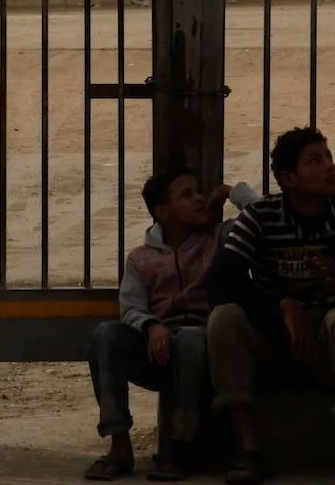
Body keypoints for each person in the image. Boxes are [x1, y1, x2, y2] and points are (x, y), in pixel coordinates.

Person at [206, 128, 335, 485]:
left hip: (329, 346)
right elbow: (220, 284)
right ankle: (248, 449)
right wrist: (283, 307)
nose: (329, 167)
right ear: (288, 178)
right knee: (224, 318)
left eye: (328, 157)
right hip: (273, 341)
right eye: (315, 160)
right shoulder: (261, 217)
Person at [85, 171, 259, 482]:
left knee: (191, 338)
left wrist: (232, 192)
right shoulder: (140, 259)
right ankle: (119, 444)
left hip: (204, 354)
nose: (199, 199)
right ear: (162, 212)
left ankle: (179, 447)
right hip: (158, 349)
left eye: (199, 192)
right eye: (186, 194)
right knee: (104, 335)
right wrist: (152, 326)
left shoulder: (219, 238)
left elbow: (264, 220)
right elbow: (131, 309)